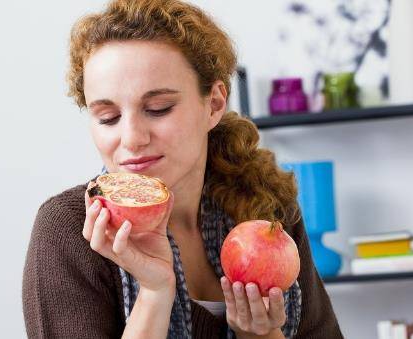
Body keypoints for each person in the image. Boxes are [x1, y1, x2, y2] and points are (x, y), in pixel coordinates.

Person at [22, 0, 343, 338]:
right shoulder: (69, 229)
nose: (132, 138)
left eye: (158, 109)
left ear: (214, 104)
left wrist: (261, 334)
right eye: (108, 117)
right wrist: (155, 293)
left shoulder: (266, 209)